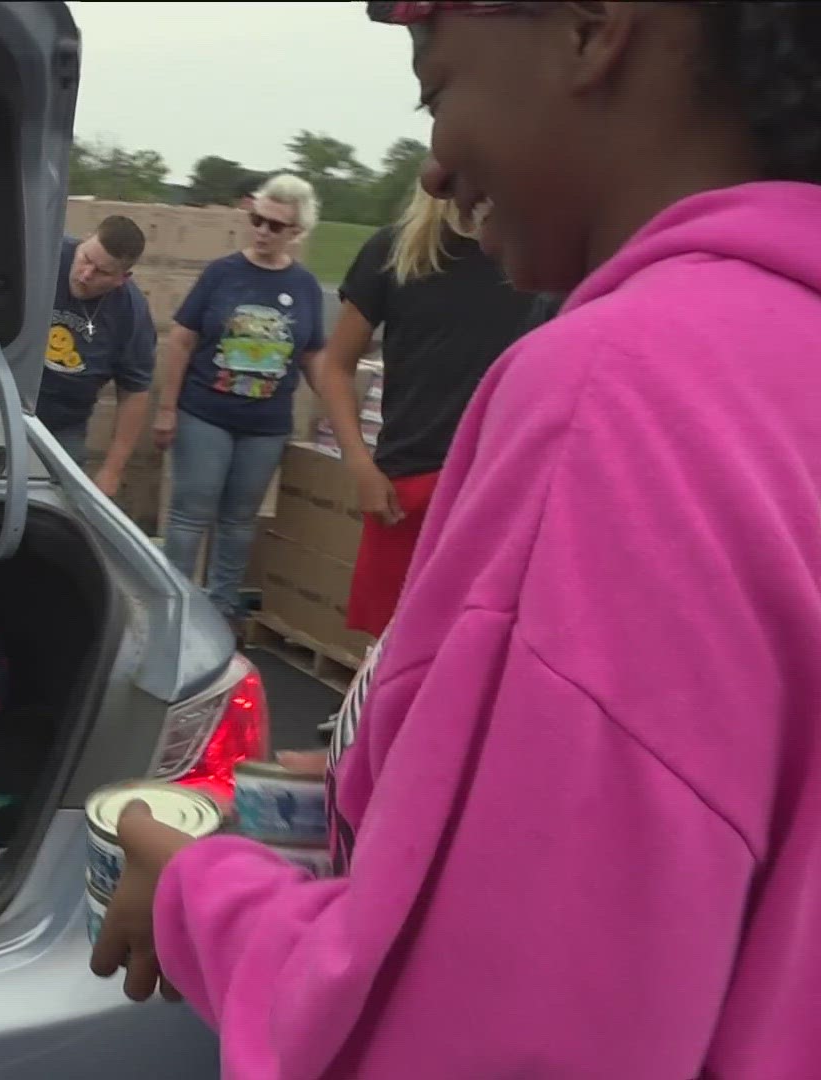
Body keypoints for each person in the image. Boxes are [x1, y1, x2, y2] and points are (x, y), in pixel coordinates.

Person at [92, 3, 821, 1077]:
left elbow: (479, 1039)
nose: (433, 171)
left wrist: (193, 896)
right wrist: (375, 783)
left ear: (589, 27)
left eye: (437, 87)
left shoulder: (619, 394)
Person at [308, 183, 538, 639]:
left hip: (497, 487)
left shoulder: (532, 259)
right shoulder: (396, 250)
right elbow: (336, 365)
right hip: (406, 485)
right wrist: (361, 466)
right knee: (387, 650)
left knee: (470, 647)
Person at [152, 174, 326, 630]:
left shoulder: (304, 286)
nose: (264, 231)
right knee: (192, 511)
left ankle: (221, 610)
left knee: (239, 520)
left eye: (275, 226)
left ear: (295, 233)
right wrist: (168, 409)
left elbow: (313, 357)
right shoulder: (222, 273)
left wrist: (337, 412)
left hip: (265, 423)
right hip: (206, 411)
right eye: (258, 220)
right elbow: (181, 341)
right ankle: (173, 609)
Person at [37, 216, 158, 497]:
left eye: (102, 272)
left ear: (122, 278)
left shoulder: (131, 312)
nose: (85, 274)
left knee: (55, 506)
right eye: (85, 258)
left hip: (63, 425)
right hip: (0, 405)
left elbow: (134, 392)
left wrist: (112, 470)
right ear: (85, 240)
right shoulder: (42, 255)